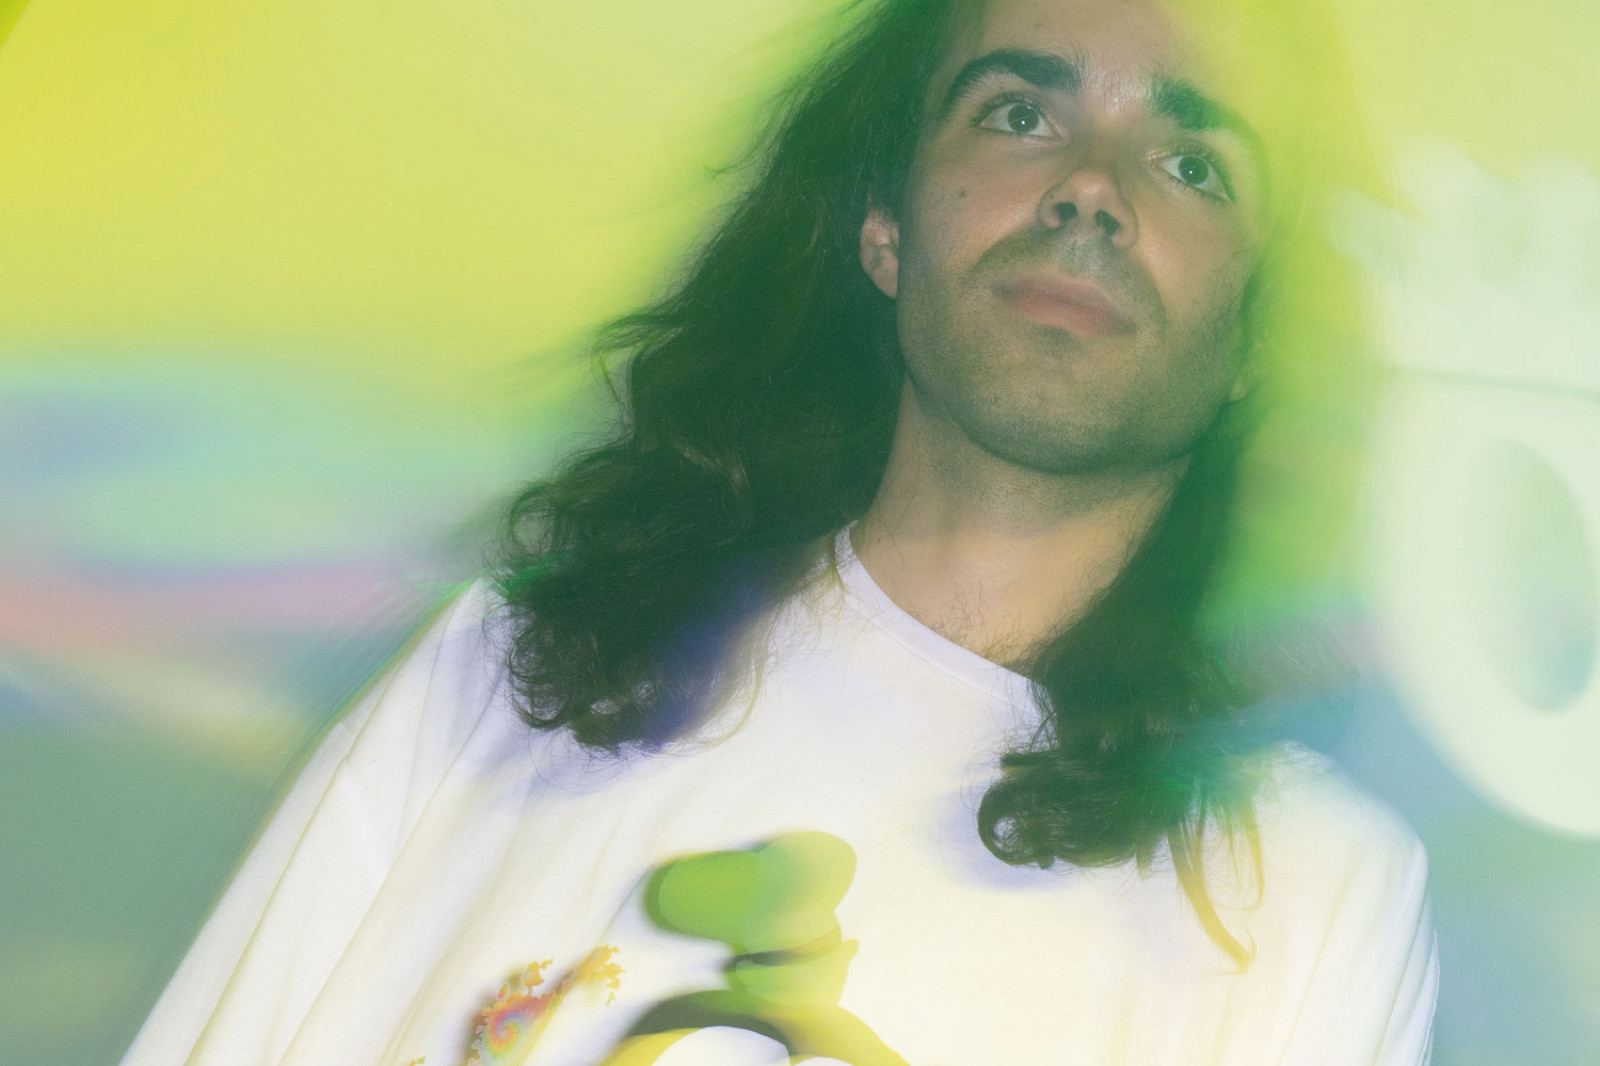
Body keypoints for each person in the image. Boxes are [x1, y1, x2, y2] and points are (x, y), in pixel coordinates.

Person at [121, 0, 1438, 1062]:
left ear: (1255, 334)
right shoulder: (505, 674)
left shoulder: (1307, 895)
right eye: (1019, 112)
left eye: (1193, 164)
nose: (1091, 188)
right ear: (884, 228)